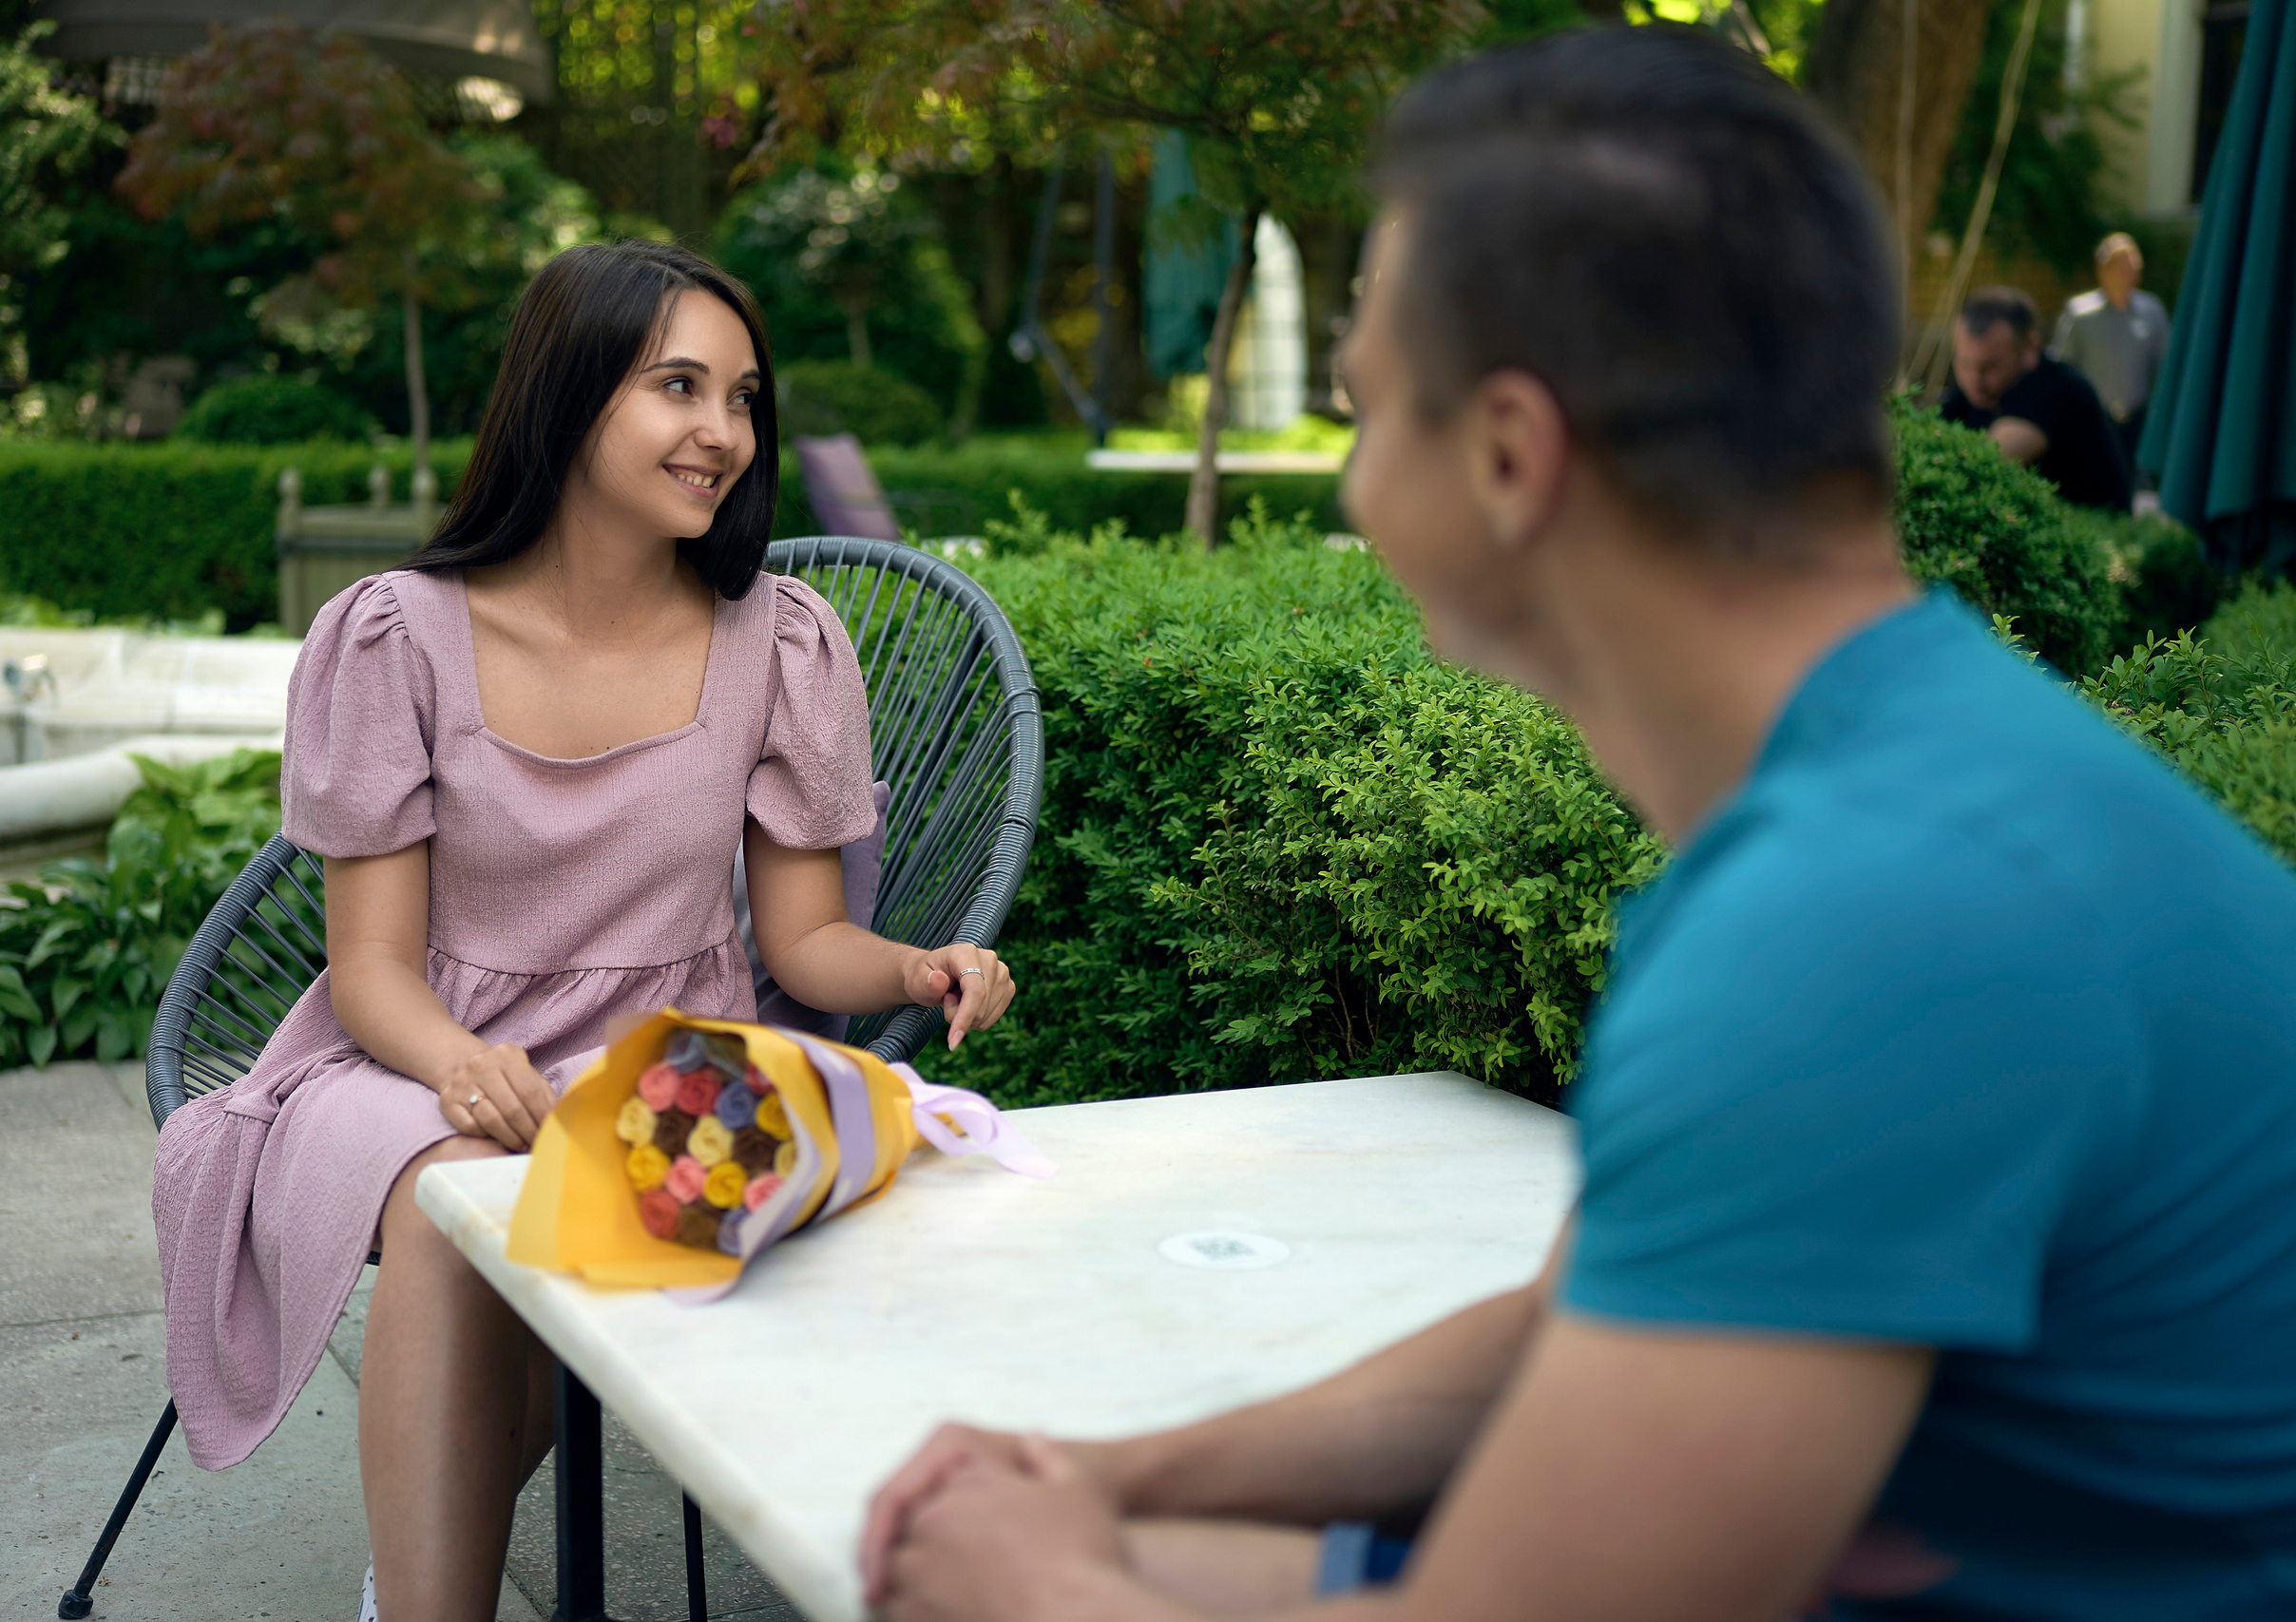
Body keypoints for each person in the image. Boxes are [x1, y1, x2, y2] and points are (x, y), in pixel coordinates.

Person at [859, 27, 2296, 1622]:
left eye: (1368, 414)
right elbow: (1571, 1330)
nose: (1352, 495)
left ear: (1508, 455)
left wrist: (1038, 1589)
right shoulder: (1908, 776)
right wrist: (1117, 1480)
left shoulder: (1859, 920)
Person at [149, 241, 1019, 1622]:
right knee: (451, 1198)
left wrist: (916, 966)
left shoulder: (777, 641)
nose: (722, 431)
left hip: (660, 1065)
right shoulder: (395, 636)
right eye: (678, 385)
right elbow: (369, 965)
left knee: (569, 1211)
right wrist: (455, 1061)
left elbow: (804, 944)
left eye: (742, 396)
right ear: (566, 393)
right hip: (403, 1057)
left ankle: (425, 1545)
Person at [1939, 287, 2132, 511]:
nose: (1975, 380)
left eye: (1990, 366)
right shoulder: (1971, 393)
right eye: (1964, 364)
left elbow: (1984, 466)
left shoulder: (2058, 388)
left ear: (2030, 348)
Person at [2050, 232, 2172, 468]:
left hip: (2137, 419)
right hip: (2092, 419)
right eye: (2122, 266)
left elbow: (2165, 365)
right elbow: (2062, 367)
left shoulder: (2152, 310)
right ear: (2103, 270)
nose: (2130, 273)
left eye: (2133, 266)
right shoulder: (2080, 313)